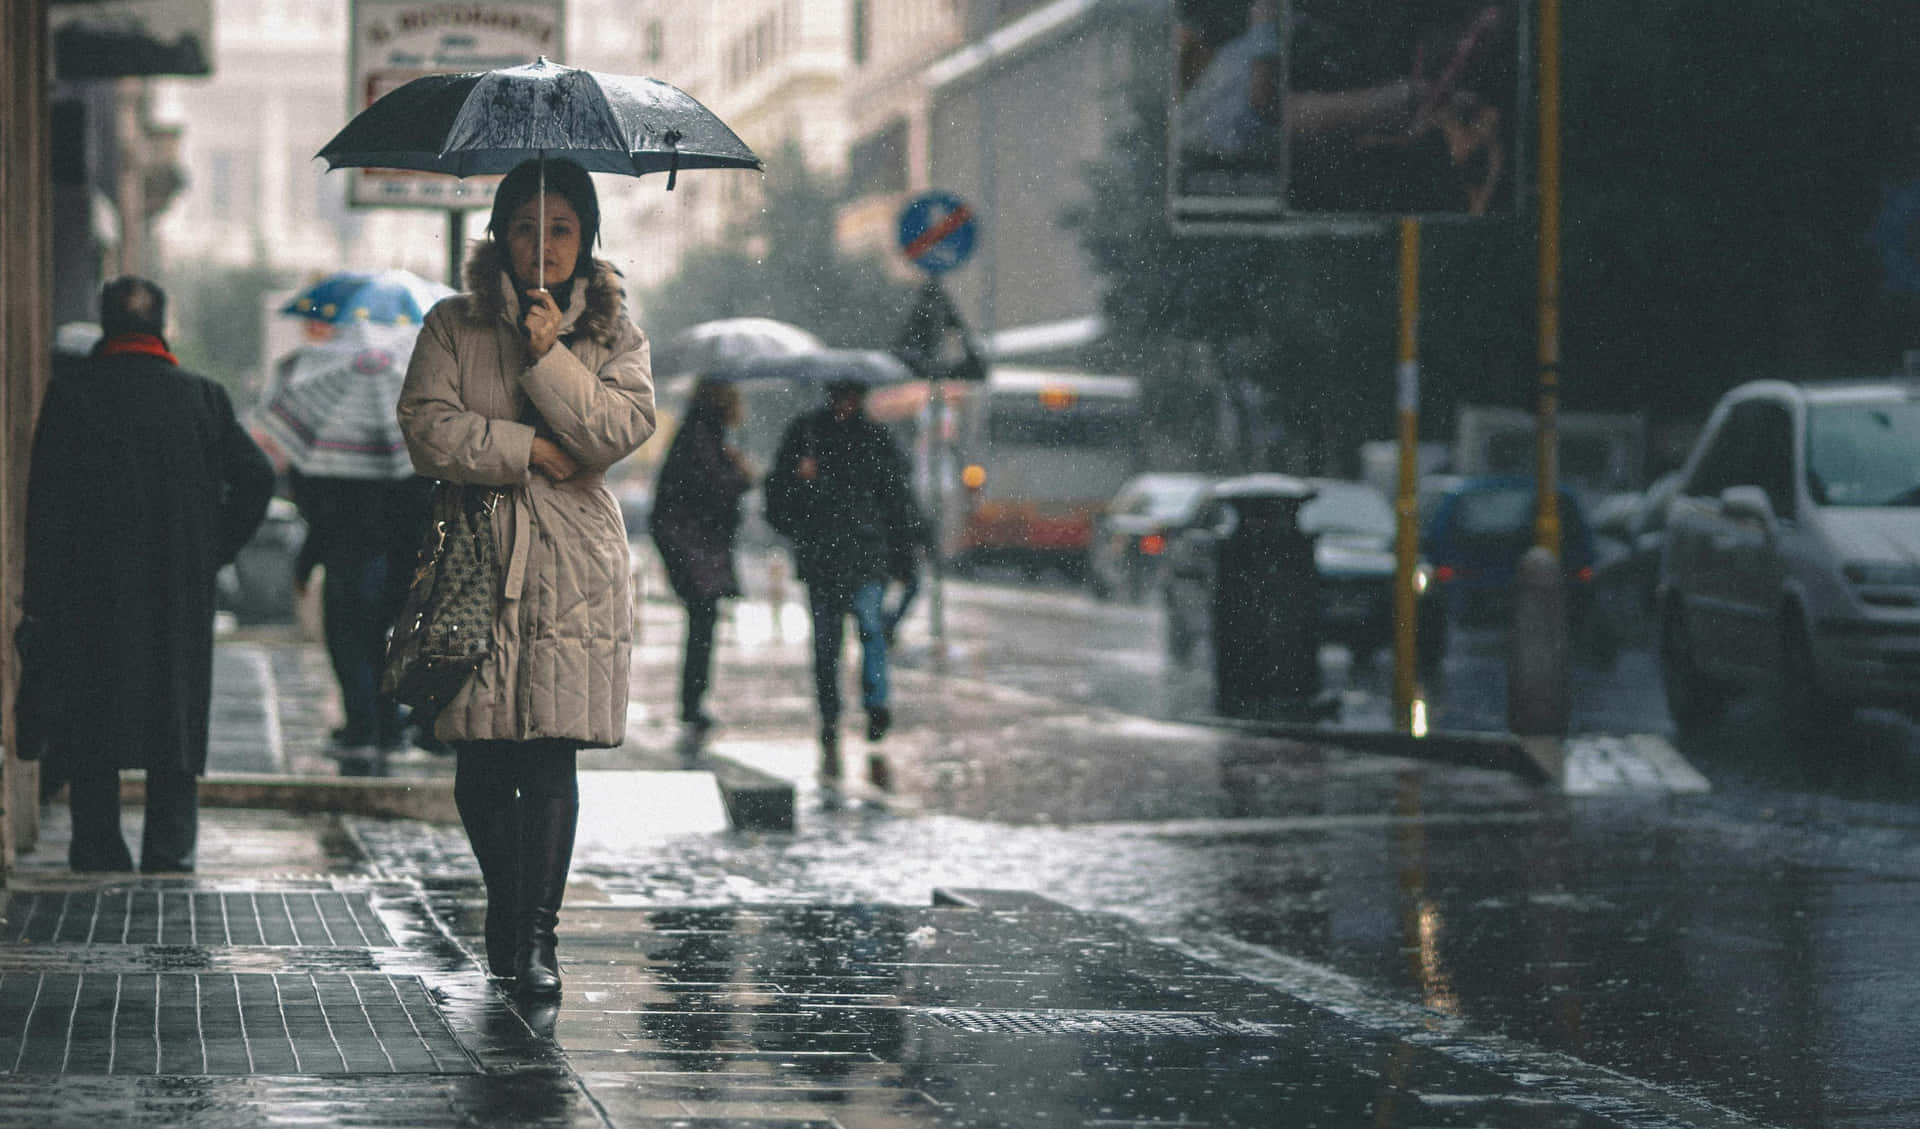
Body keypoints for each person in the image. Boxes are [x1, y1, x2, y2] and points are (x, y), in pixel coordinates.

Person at [397, 157, 655, 997]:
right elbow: (428, 428)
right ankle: (507, 903)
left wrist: (552, 356)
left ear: (585, 239)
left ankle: (537, 938)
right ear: (500, 236)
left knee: (549, 757)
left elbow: (620, 429)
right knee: (478, 762)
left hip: (573, 564)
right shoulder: (452, 325)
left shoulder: (614, 333)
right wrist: (529, 450)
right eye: (524, 227)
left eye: (560, 228)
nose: (541, 245)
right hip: (477, 554)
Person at [22, 275, 275, 873]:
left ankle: (97, 845)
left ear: (107, 325)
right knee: (175, 713)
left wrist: (40, 592)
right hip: (177, 590)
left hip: (90, 592)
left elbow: (45, 503)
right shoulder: (203, 397)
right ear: (161, 326)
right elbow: (258, 477)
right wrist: (213, 546)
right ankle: (170, 847)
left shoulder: (73, 394)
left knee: (92, 712)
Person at [763, 378, 927, 805]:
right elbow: (777, 499)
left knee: (871, 631)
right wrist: (800, 483)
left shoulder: (875, 439)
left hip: (865, 555)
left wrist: (904, 553)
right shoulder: (807, 434)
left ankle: (876, 708)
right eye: (840, 396)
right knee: (827, 644)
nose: (845, 403)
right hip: (822, 557)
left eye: (852, 397)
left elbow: (898, 500)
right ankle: (830, 715)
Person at [288, 467, 434, 757]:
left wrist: (304, 567)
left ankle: (363, 727)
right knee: (377, 646)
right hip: (391, 565)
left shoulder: (340, 466)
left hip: (348, 563)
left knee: (348, 647)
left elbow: (323, 520)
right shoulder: (402, 466)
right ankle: (387, 725)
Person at [649, 379, 753, 737]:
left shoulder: (698, 434)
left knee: (702, 622)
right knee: (702, 622)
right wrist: (739, 474)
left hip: (692, 544)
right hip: (694, 546)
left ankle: (692, 701)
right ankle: (691, 704)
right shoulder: (701, 438)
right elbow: (712, 491)